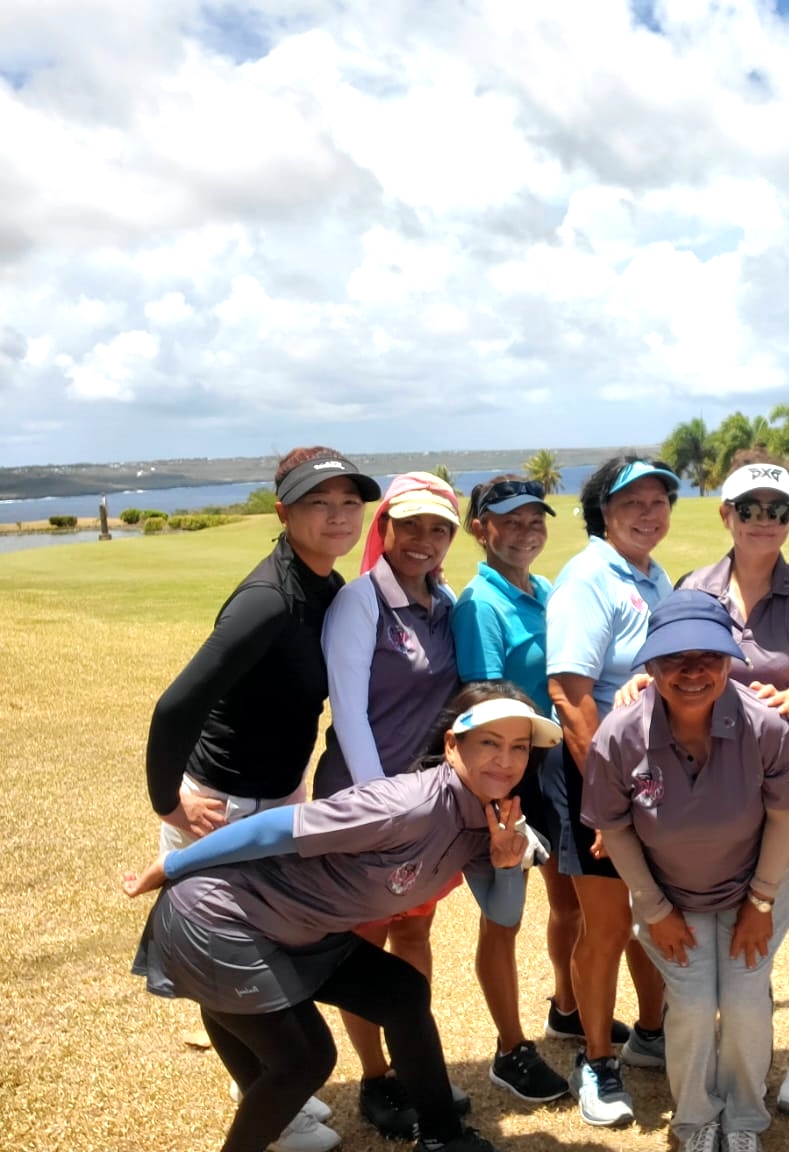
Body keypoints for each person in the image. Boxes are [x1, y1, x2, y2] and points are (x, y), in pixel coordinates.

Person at [124, 681, 563, 1152]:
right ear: (453, 745)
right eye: (490, 743)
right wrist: (171, 865)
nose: (505, 760)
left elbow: (502, 910)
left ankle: (443, 1137)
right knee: (307, 1060)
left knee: (402, 992)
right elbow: (276, 829)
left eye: (519, 747)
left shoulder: (490, 819)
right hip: (218, 920)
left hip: (296, 928)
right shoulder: (404, 804)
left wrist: (505, 862)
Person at [144, 446, 380, 1152]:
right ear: (283, 513)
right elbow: (176, 704)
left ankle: (268, 1093)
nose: (337, 517)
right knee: (234, 971)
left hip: (274, 797)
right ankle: (272, 1111)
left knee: (241, 971)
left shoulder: (324, 584)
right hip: (222, 803)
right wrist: (169, 805)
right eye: (318, 503)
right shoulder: (267, 601)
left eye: (348, 503)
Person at [583, 590, 789, 1152]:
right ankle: (693, 1118)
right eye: (673, 659)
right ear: (651, 666)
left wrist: (759, 905)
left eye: (708, 656)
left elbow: (785, 824)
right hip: (668, 894)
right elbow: (615, 832)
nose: (691, 672)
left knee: (742, 999)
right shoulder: (619, 734)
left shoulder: (769, 727)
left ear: (730, 660)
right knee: (687, 1001)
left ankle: (745, 1119)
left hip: (756, 887)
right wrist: (656, 911)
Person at [314, 470, 469, 1138]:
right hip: (364, 804)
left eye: (439, 529)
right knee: (363, 942)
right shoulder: (360, 601)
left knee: (413, 931)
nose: (424, 541)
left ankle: (413, 1064)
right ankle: (377, 1080)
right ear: (386, 529)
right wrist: (381, 808)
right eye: (410, 526)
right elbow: (347, 710)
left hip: (425, 807)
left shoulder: (447, 600)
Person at [675, 463, 789, 1115]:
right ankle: (747, 1041)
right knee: (741, 915)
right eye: (750, 507)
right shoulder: (696, 587)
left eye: (778, 508)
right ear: (726, 516)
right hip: (717, 784)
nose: (764, 518)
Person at [544, 456, 679, 1126]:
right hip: (598, 776)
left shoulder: (652, 578)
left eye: (660, 501)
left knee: (651, 914)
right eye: (634, 502)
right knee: (607, 925)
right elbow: (570, 695)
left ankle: (652, 1034)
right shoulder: (590, 577)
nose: (649, 513)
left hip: (652, 778)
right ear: (602, 510)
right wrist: (606, 795)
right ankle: (596, 1060)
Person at [450, 476, 577, 1109]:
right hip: (505, 780)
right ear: (481, 528)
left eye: (535, 518)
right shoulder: (480, 603)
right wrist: (500, 808)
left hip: (549, 774)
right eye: (510, 519)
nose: (526, 529)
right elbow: (486, 711)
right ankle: (509, 1049)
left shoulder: (545, 590)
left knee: (571, 905)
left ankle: (567, 1005)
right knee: (504, 919)